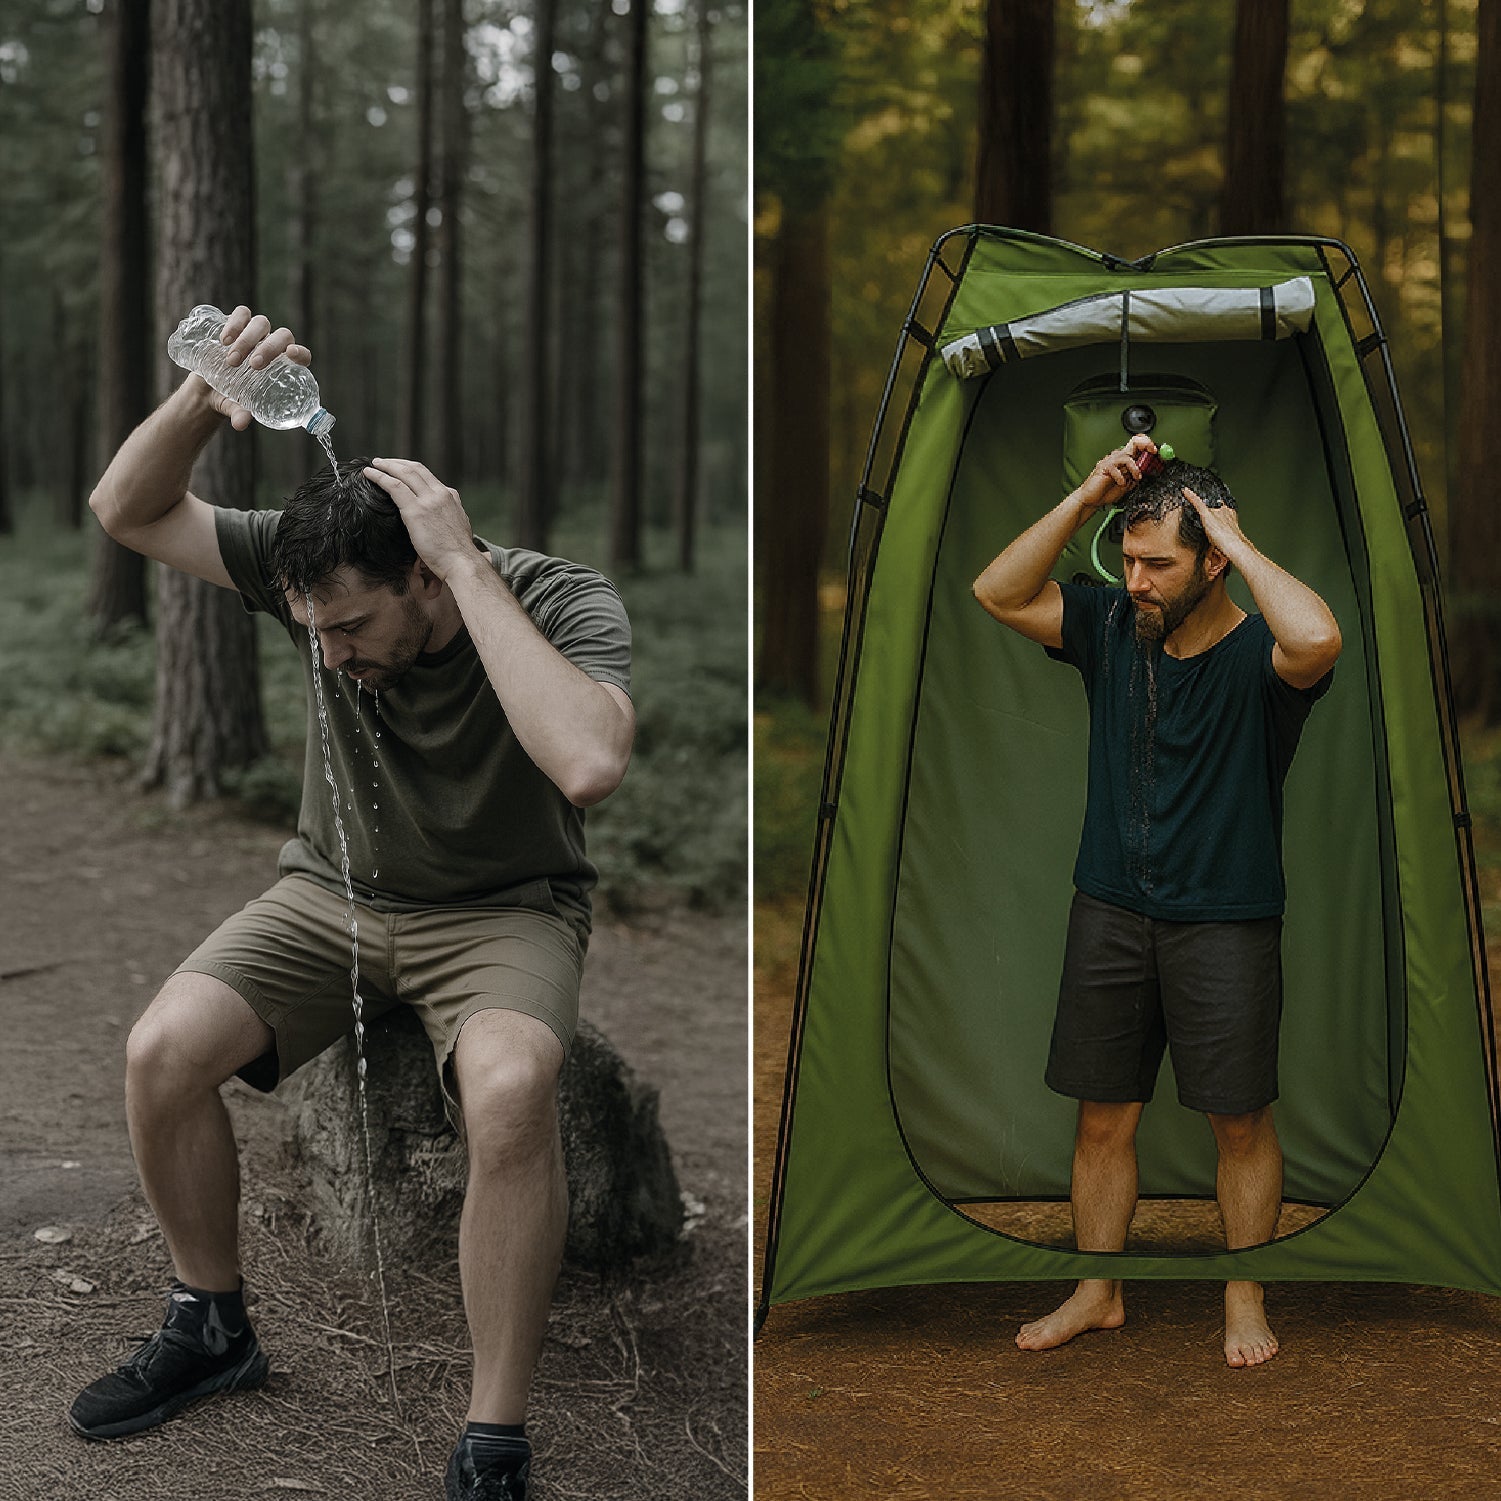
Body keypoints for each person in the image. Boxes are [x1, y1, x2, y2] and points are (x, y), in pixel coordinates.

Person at [69, 307, 635, 1501]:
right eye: (311, 631)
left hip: (502, 917)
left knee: (513, 1086)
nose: (328, 658)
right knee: (161, 1048)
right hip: (326, 896)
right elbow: (124, 511)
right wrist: (203, 398)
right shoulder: (308, 571)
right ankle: (211, 1324)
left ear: (426, 577)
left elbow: (587, 764)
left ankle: (493, 1434)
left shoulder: (557, 598)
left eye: (354, 628)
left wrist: (473, 567)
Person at [972, 433, 1341, 1369]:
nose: (1134, 578)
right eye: (1127, 559)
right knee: (1102, 1117)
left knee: (1239, 1121)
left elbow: (1319, 637)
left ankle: (1243, 1297)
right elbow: (997, 591)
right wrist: (1090, 496)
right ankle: (1098, 1292)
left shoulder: (1265, 655)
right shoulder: (1105, 626)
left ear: (1212, 560)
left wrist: (1235, 536)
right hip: (1110, 910)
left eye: (1157, 563)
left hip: (1226, 916)